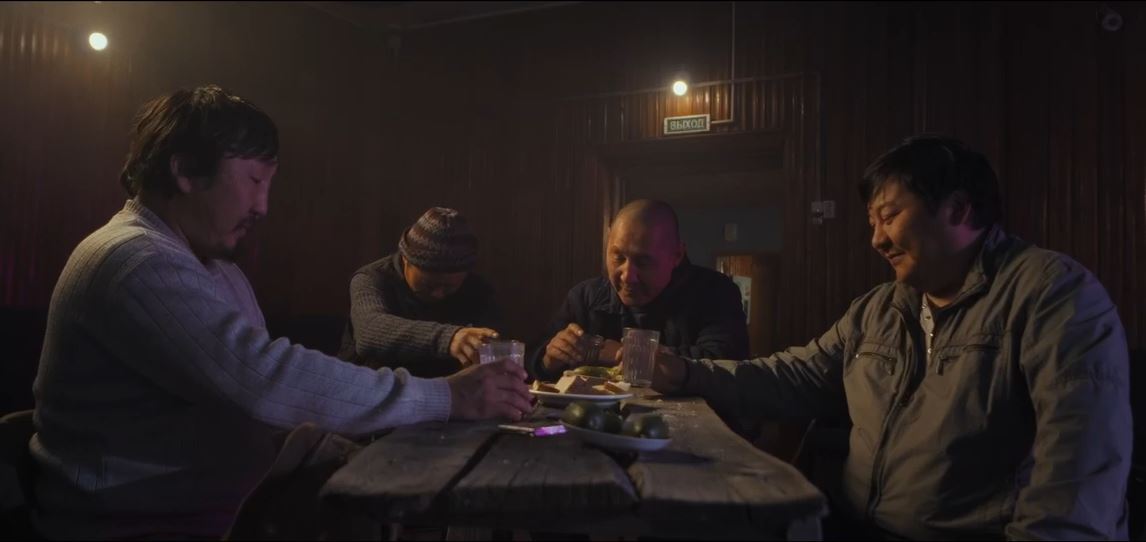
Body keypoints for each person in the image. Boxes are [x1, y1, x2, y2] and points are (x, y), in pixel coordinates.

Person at [29, 85, 532, 540]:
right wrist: (446, 396)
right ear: (184, 172)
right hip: (137, 525)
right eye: (253, 180)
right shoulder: (134, 260)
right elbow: (264, 380)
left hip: (219, 507)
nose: (263, 206)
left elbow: (260, 393)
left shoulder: (211, 265)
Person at [645, 135, 1132, 540]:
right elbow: (794, 377)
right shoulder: (880, 309)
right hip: (852, 525)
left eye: (890, 216)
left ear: (958, 209)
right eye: (872, 222)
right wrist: (687, 372)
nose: (876, 239)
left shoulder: (1052, 295)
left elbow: (1077, 477)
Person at [529, 199, 749, 383]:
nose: (627, 276)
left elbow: (726, 366)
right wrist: (547, 361)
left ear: (676, 255)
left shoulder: (715, 293)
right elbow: (531, 364)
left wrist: (630, 354)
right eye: (618, 257)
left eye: (643, 262)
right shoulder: (584, 297)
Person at [337, 207, 503, 378]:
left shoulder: (478, 290)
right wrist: (449, 338)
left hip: (445, 389)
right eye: (427, 285)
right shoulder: (372, 279)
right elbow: (369, 331)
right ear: (405, 259)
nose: (438, 294)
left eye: (449, 287)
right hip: (367, 386)